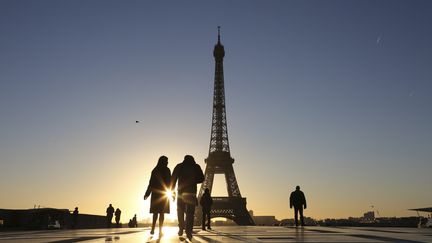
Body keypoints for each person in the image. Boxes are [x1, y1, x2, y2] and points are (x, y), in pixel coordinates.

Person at [171, 155, 204, 240]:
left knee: (180, 210)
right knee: (190, 213)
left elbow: (173, 179)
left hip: (181, 192)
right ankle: (188, 231)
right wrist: (193, 180)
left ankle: (181, 226)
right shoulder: (196, 166)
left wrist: (172, 191)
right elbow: (202, 178)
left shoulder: (179, 166)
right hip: (191, 193)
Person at [144, 156, 172, 236]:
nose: (167, 162)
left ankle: (153, 228)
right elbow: (170, 183)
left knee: (155, 213)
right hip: (164, 194)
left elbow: (151, 183)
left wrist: (147, 193)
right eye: (166, 161)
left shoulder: (155, 170)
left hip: (156, 194)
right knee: (162, 213)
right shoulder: (167, 170)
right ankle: (160, 230)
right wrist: (172, 193)